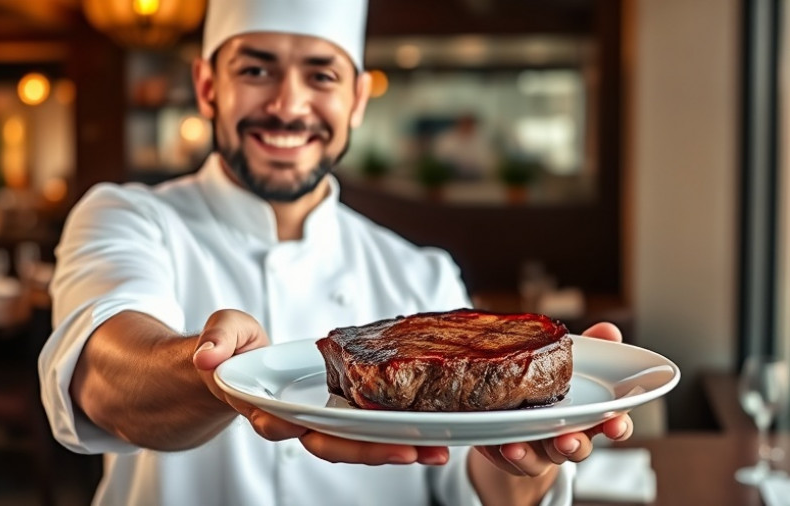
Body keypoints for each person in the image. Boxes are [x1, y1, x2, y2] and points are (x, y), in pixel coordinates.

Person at [38, 1, 633, 505]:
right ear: (206, 87)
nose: (289, 105)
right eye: (256, 70)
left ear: (356, 100)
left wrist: (537, 452)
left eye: (321, 76)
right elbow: (102, 381)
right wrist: (217, 372)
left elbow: (472, 480)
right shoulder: (128, 216)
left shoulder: (418, 273)